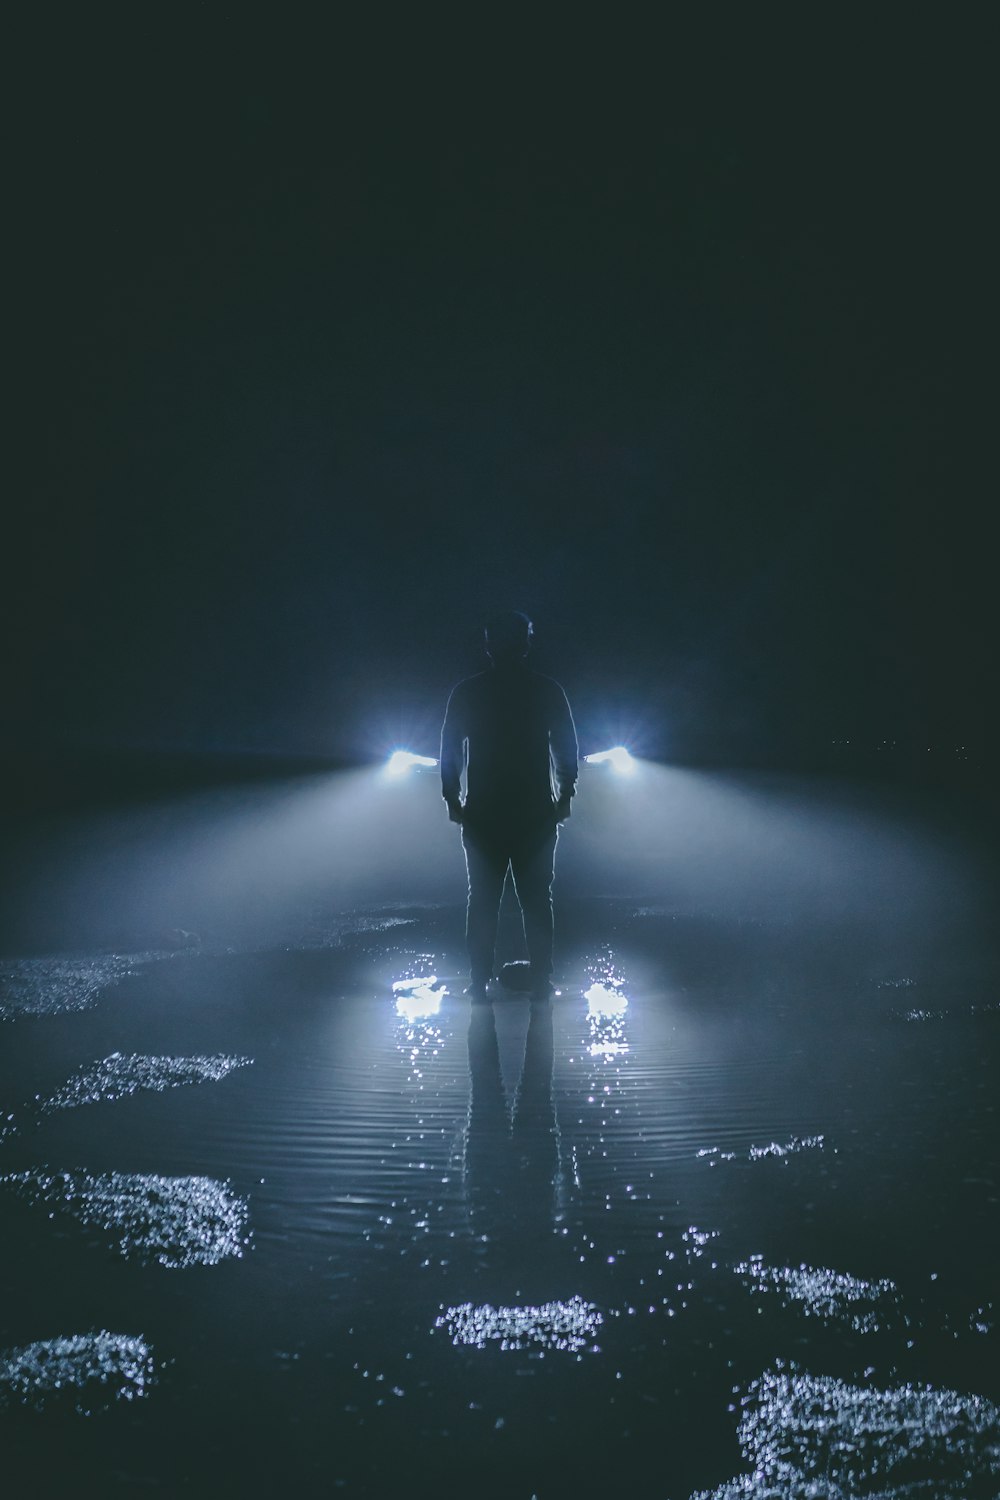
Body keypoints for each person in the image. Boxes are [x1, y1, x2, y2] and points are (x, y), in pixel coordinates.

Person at [440, 611, 578, 999]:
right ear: (526, 644)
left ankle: (478, 983)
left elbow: (451, 748)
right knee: (537, 901)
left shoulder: (469, 691)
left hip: (485, 811)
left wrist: (453, 797)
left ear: (488, 646)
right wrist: (565, 794)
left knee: (482, 901)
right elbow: (565, 746)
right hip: (533, 811)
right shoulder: (546, 689)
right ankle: (541, 982)